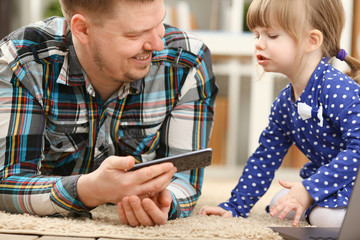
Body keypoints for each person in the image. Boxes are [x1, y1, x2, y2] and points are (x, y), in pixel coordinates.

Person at [0, 0, 217, 227]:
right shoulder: (23, 61)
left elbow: (184, 177)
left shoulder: (187, 62)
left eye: (159, 23)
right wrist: (89, 190)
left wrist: (167, 200)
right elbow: (7, 183)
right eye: (135, 34)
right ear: (82, 29)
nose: (158, 44)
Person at [199, 0, 360, 228]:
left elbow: (358, 151)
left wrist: (309, 189)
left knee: (323, 217)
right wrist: (236, 206)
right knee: (280, 206)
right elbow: (265, 157)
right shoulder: (285, 103)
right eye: (257, 36)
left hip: (355, 181)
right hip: (336, 183)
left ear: (311, 41)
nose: (259, 44)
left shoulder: (338, 90)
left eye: (271, 36)